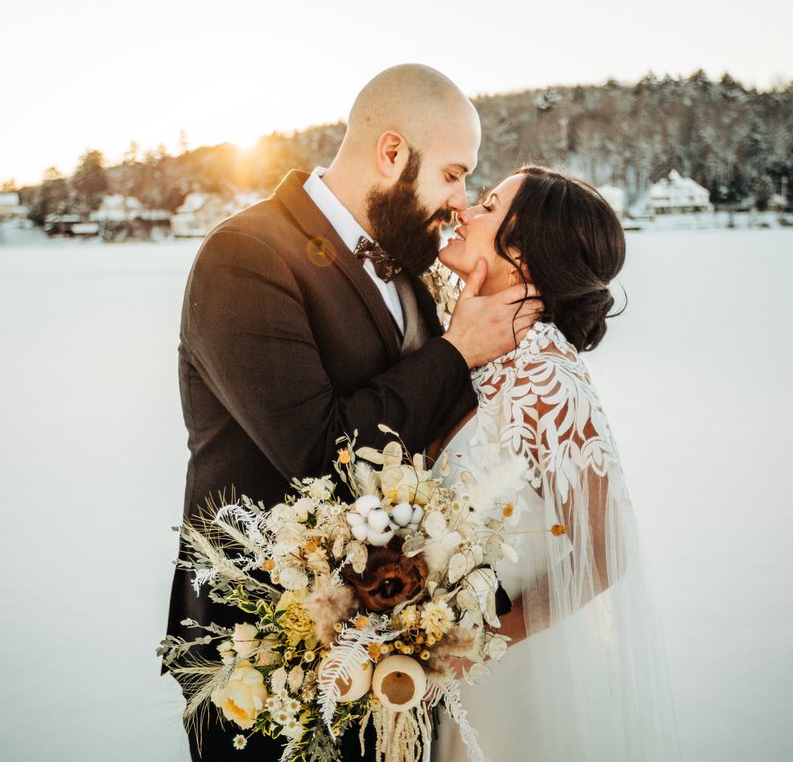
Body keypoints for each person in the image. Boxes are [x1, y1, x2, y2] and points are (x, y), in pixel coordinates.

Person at [163, 64, 538, 762]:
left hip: (399, 658)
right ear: (393, 153)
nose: (460, 203)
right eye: (453, 174)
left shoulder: (411, 272)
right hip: (264, 661)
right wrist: (457, 349)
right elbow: (318, 453)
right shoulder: (244, 257)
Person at [432, 167, 681, 761]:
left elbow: (607, 546)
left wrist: (483, 640)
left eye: (488, 205)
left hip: (516, 680)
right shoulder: (471, 340)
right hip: (448, 683)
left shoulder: (541, 368)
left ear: (520, 252)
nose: (465, 210)